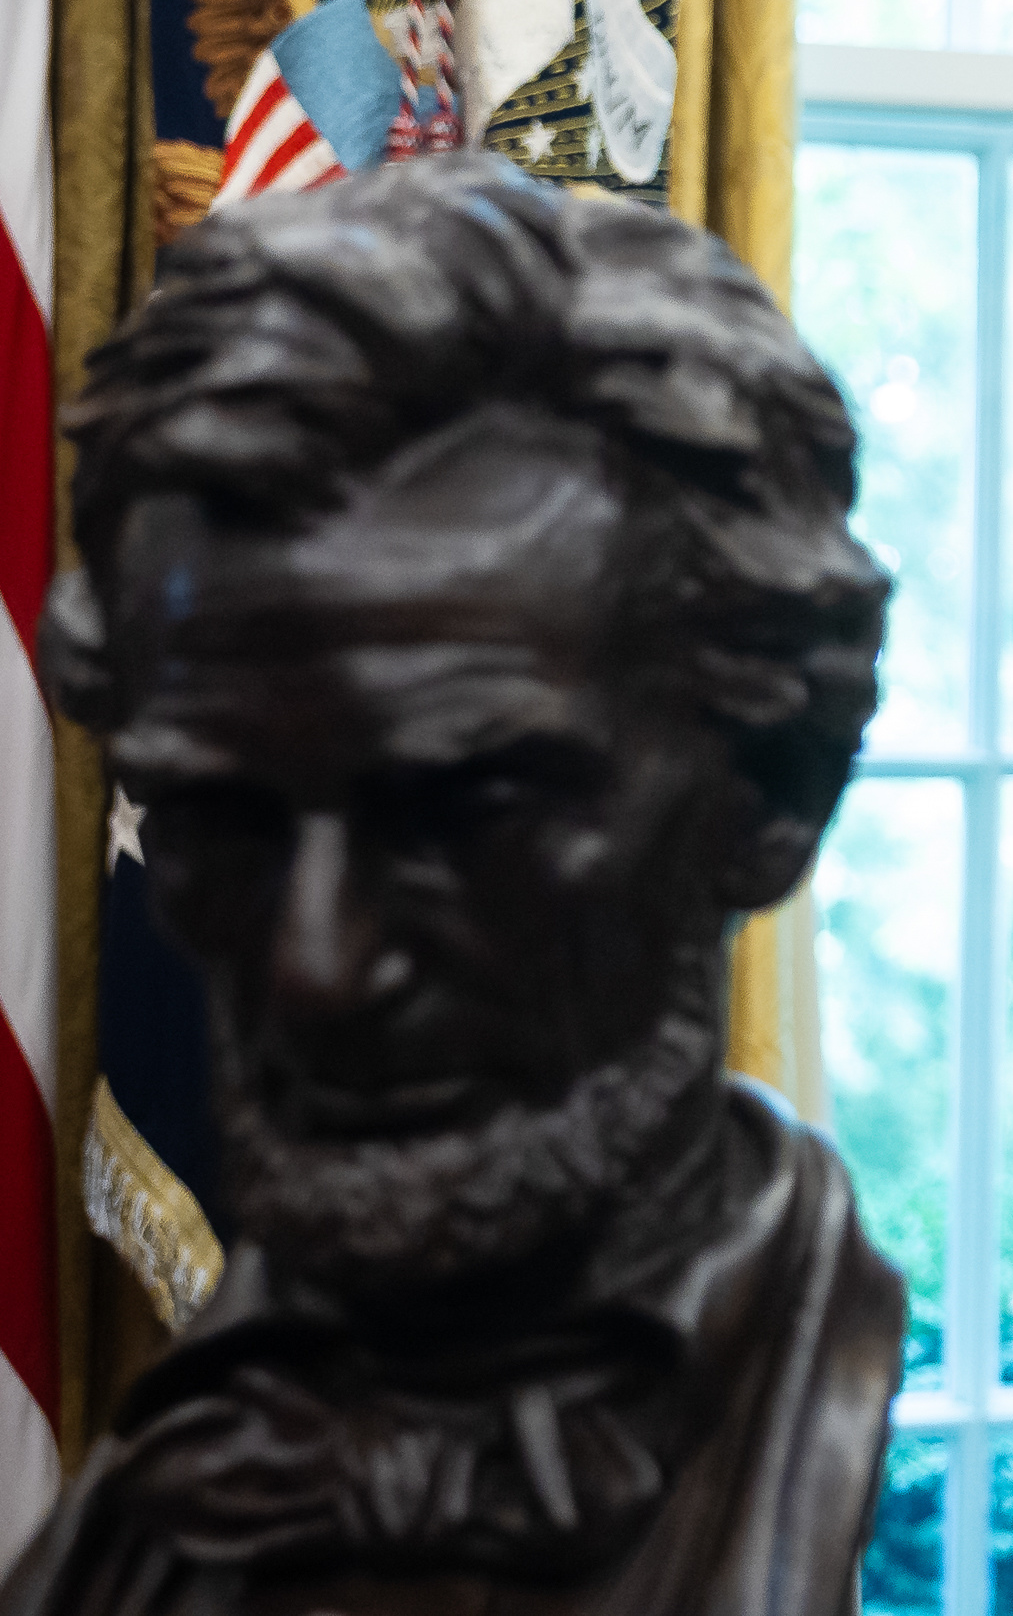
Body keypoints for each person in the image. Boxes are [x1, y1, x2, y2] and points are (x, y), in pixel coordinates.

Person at [8, 158, 903, 1614]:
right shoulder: (173, 1478)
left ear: (769, 803)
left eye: (465, 813)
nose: (314, 964)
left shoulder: (789, 1398)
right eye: (224, 817)